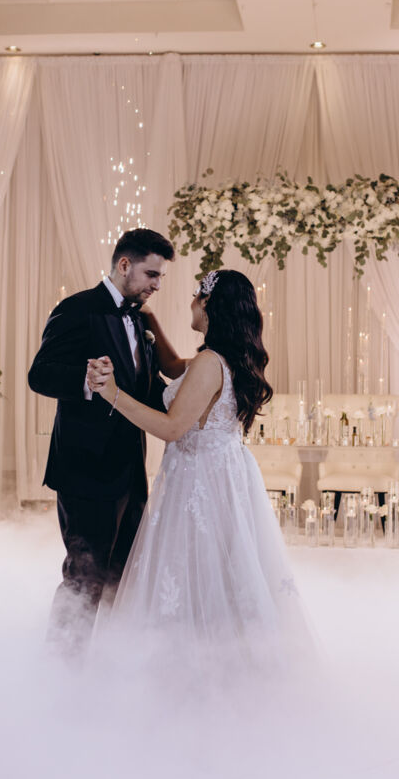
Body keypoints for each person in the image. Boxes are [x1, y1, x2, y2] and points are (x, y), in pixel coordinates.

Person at [87, 269, 312, 668]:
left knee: (195, 569)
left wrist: (112, 393)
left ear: (209, 305)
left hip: (198, 480)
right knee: (222, 570)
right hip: (223, 474)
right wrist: (148, 318)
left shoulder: (209, 362)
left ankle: (194, 666)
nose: (190, 301)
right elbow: (175, 365)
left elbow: (172, 428)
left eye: (196, 295)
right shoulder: (228, 358)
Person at [27, 228, 174, 655]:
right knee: (84, 578)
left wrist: (196, 401)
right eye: (151, 274)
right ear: (124, 265)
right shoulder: (77, 309)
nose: (157, 285)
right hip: (85, 472)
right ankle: (62, 668)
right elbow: (40, 375)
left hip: (130, 474)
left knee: (121, 577)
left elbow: (146, 388)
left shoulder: (140, 320)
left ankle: (106, 668)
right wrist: (86, 380)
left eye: (160, 277)